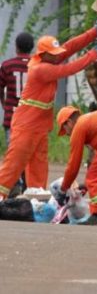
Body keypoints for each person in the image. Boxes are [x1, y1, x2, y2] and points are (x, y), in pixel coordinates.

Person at [0, 16, 97, 199]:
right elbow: (69, 69)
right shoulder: (40, 69)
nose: (57, 55)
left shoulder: (48, 58)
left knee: (39, 162)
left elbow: (70, 46)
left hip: (39, 124)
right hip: (26, 124)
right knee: (15, 161)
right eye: (53, 53)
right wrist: (94, 53)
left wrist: (95, 31)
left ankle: (35, 195)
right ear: (43, 54)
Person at [0, 32, 34, 196]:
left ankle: (13, 190)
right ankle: (29, 188)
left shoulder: (7, 66)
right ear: (32, 47)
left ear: (16, 46)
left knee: (13, 154)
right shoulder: (37, 64)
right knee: (29, 154)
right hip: (32, 119)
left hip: (12, 117)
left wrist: (5, 104)